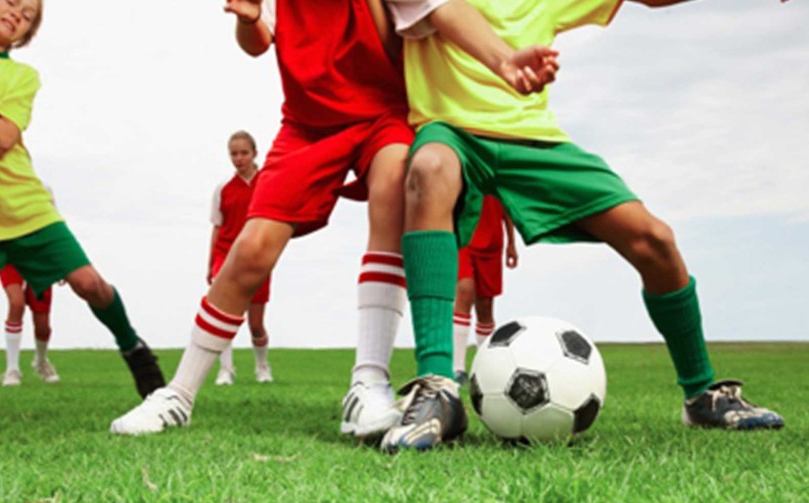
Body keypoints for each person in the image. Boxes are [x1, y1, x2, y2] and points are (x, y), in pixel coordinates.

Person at [109, 0, 557, 436]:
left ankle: (368, 381)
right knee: (253, 248)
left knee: (393, 185)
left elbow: (435, 14)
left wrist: (504, 60)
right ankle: (178, 395)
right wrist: (249, 19)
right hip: (307, 124)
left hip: (383, 113)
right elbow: (257, 42)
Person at [380, 0, 786, 451]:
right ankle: (438, 388)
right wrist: (505, 61)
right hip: (452, 133)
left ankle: (701, 395)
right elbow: (444, 10)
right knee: (429, 167)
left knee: (654, 239)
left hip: (533, 141)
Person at [0, 0, 165, 411]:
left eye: (29, 15)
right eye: (12, 2)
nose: (18, 14)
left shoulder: (22, 76)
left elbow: (2, 139)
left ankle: (133, 347)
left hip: (24, 206)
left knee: (90, 284)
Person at [208, 131, 272, 386]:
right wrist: (210, 263)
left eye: (244, 153)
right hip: (225, 256)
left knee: (255, 324)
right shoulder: (223, 189)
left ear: (255, 153)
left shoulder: (267, 183)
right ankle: (226, 370)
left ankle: (262, 367)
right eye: (233, 154)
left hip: (257, 256)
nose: (239, 158)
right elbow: (217, 226)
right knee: (224, 317)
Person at [453, 195, 516, 386]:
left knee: (485, 305)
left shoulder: (502, 175)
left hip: (492, 241)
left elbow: (508, 205)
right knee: (464, 291)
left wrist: (511, 243)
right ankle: (457, 368)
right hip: (463, 235)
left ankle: (485, 367)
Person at [0, 264, 59, 386]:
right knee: (16, 304)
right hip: (11, 261)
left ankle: (41, 361)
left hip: (39, 262)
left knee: (42, 325)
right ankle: (12, 369)